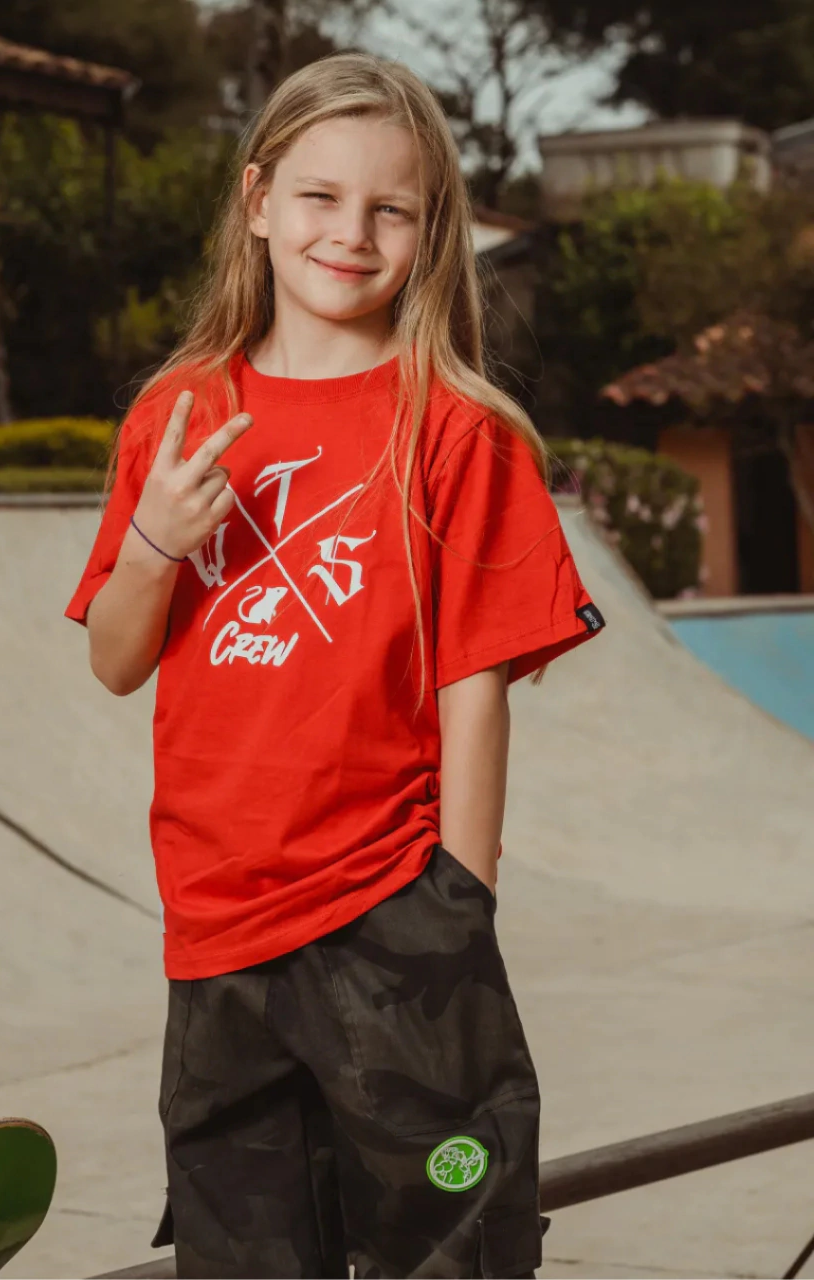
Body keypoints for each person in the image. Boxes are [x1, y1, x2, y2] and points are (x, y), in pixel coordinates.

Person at [66, 52, 605, 1280]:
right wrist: (155, 540)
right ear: (258, 201)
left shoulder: (458, 431)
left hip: (393, 916)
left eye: (389, 209)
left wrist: (458, 900)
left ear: (430, 230)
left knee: (456, 1237)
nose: (350, 234)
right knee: (245, 1253)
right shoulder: (177, 414)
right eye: (319, 196)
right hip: (215, 927)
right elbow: (114, 659)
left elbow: (474, 688)